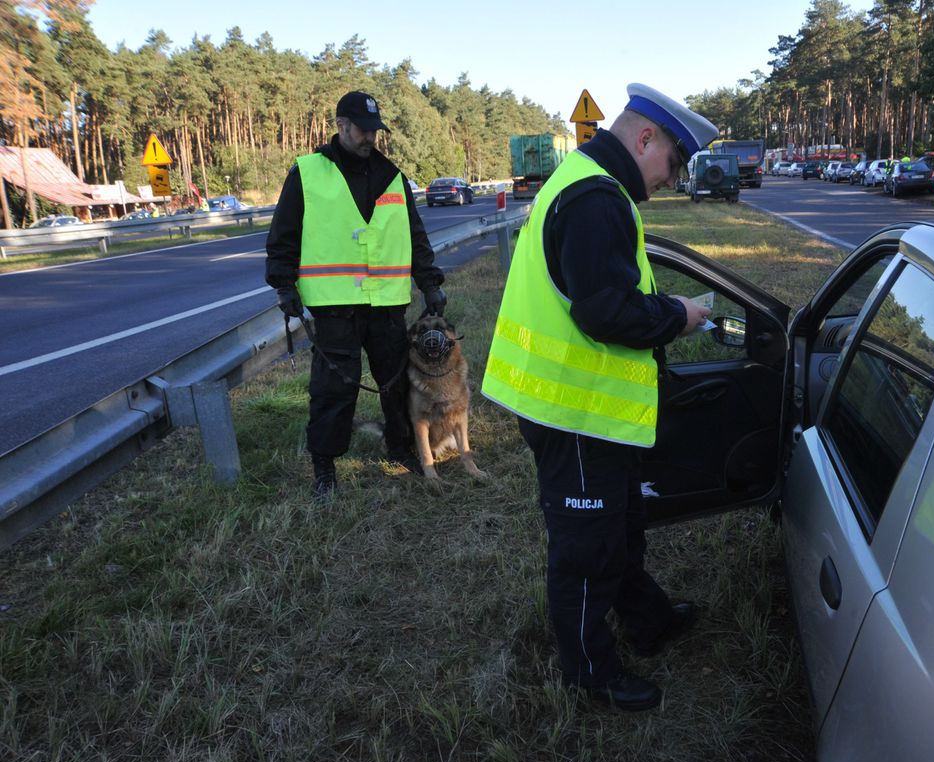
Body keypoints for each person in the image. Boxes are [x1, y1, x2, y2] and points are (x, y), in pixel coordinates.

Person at [481, 83, 717, 712]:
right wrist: (677, 315)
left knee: (619, 525)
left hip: (586, 408)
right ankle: (589, 674)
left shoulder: (589, 184)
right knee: (587, 548)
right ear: (645, 139)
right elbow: (603, 310)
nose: (672, 179)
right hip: (573, 410)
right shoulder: (595, 198)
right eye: (674, 161)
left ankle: (648, 621)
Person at [266, 90, 445, 499]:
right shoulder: (308, 173)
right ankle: (325, 468)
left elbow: (414, 236)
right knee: (333, 391)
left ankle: (403, 449)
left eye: (374, 131)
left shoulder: (393, 176)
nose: (370, 138)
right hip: (334, 307)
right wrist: (283, 284)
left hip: (386, 304)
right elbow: (284, 235)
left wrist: (430, 283)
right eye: (363, 131)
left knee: (397, 384)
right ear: (341, 126)